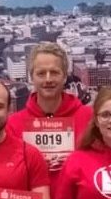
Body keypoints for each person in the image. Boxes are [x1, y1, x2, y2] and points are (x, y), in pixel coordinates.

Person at [6, 42, 93, 182]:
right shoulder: (13, 124)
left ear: (64, 76)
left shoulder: (89, 118)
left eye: (54, 72)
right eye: (41, 73)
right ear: (31, 77)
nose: (48, 79)